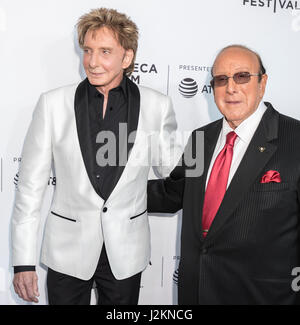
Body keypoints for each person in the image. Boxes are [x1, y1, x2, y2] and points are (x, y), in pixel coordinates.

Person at [12, 8, 180, 305]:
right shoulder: (53, 105)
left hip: (126, 253)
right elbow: (29, 187)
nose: (92, 61)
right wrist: (23, 262)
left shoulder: (157, 106)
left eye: (105, 51)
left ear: (126, 58)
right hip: (67, 251)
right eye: (87, 51)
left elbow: (174, 168)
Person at [148, 44, 300, 304]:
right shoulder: (201, 138)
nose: (231, 88)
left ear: (262, 83)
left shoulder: (294, 139)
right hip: (196, 294)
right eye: (221, 80)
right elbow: (175, 193)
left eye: (242, 77)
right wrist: (112, 190)